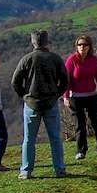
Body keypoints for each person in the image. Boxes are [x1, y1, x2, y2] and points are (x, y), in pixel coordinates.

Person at [11, 30, 70, 179]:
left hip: (31, 103)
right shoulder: (55, 59)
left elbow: (15, 81)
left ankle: (26, 171)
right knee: (55, 138)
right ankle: (59, 169)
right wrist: (56, 94)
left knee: (29, 139)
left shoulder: (27, 59)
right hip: (50, 102)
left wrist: (24, 95)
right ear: (46, 42)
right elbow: (64, 81)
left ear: (33, 42)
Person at [63, 34, 97, 161]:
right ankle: (81, 150)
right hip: (75, 97)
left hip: (91, 95)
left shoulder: (93, 60)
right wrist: (65, 96)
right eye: (79, 44)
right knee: (80, 125)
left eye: (85, 44)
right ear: (76, 46)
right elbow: (67, 79)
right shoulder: (72, 60)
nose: (82, 47)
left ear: (89, 46)